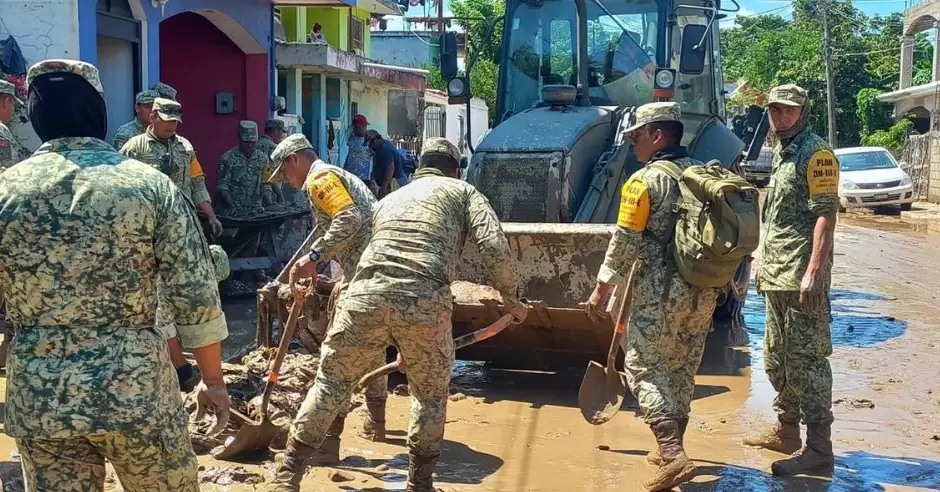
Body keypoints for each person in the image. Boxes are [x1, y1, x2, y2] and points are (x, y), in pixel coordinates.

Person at [0, 58, 230, 491]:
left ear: (35, 114)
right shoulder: (151, 187)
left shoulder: (6, 191)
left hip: (42, 400)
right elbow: (195, 295)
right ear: (98, 111)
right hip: (137, 393)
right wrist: (213, 381)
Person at [266, 137, 527, 492]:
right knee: (429, 395)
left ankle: (287, 476)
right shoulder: (464, 192)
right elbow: (493, 246)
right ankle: (419, 484)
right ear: (454, 170)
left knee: (329, 384)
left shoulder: (390, 199)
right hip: (424, 297)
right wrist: (512, 298)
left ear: (419, 169)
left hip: (363, 293)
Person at [584, 102, 719, 491]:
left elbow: (625, 239)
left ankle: (673, 454)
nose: (634, 144)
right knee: (680, 368)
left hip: (659, 292)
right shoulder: (703, 175)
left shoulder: (643, 181)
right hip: (703, 290)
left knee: (643, 367)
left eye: (637, 136)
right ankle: (671, 451)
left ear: (657, 135)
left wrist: (602, 287)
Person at [265, 133, 386, 464]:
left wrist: (315, 258)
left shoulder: (319, 178)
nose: (286, 181)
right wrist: (299, 265)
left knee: (337, 357)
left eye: (284, 172)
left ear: (295, 160)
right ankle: (377, 425)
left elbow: (349, 218)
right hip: (372, 269)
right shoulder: (330, 176)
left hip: (365, 272)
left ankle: (324, 446)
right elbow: (325, 229)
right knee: (372, 345)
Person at [743, 84, 838, 476]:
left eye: (790, 111)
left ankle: (819, 449)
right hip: (776, 275)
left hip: (801, 278)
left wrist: (813, 272)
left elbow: (825, 215)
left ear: (803, 111)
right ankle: (786, 431)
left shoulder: (816, 154)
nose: (782, 118)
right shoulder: (783, 152)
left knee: (807, 362)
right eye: (776, 110)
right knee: (777, 358)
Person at [119, 97, 223, 237]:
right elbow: (120, 186)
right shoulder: (134, 148)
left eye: (174, 121)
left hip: (182, 221)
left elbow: (197, 183)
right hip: (147, 224)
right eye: (166, 120)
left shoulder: (185, 147)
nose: (171, 126)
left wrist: (211, 216)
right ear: (153, 117)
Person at [216, 120, 268, 217]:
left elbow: (265, 183)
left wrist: (268, 200)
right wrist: (231, 206)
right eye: (246, 142)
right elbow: (222, 186)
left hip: (255, 211)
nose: (250, 145)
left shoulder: (263, 158)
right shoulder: (227, 159)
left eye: (253, 142)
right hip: (232, 211)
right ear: (239, 137)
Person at [365, 130, 407, 198]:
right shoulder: (381, 145)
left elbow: (390, 168)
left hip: (394, 182)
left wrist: (384, 188)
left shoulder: (384, 149)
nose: (370, 147)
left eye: (370, 145)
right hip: (389, 183)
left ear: (374, 141)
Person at [259, 118, 287, 205]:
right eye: (281, 132)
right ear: (276, 131)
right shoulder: (272, 147)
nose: (282, 135)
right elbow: (269, 174)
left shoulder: (257, 143)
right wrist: (279, 194)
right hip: (268, 193)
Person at [344, 114, 374, 189]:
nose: (365, 128)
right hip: (350, 178)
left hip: (365, 179)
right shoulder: (351, 139)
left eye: (365, 126)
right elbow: (349, 156)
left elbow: (375, 159)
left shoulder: (369, 140)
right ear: (356, 126)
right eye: (364, 126)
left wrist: (373, 178)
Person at [0, 79, 23, 170]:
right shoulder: (1, 130)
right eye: (13, 104)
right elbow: (7, 168)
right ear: (6, 101)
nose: (13, 109)